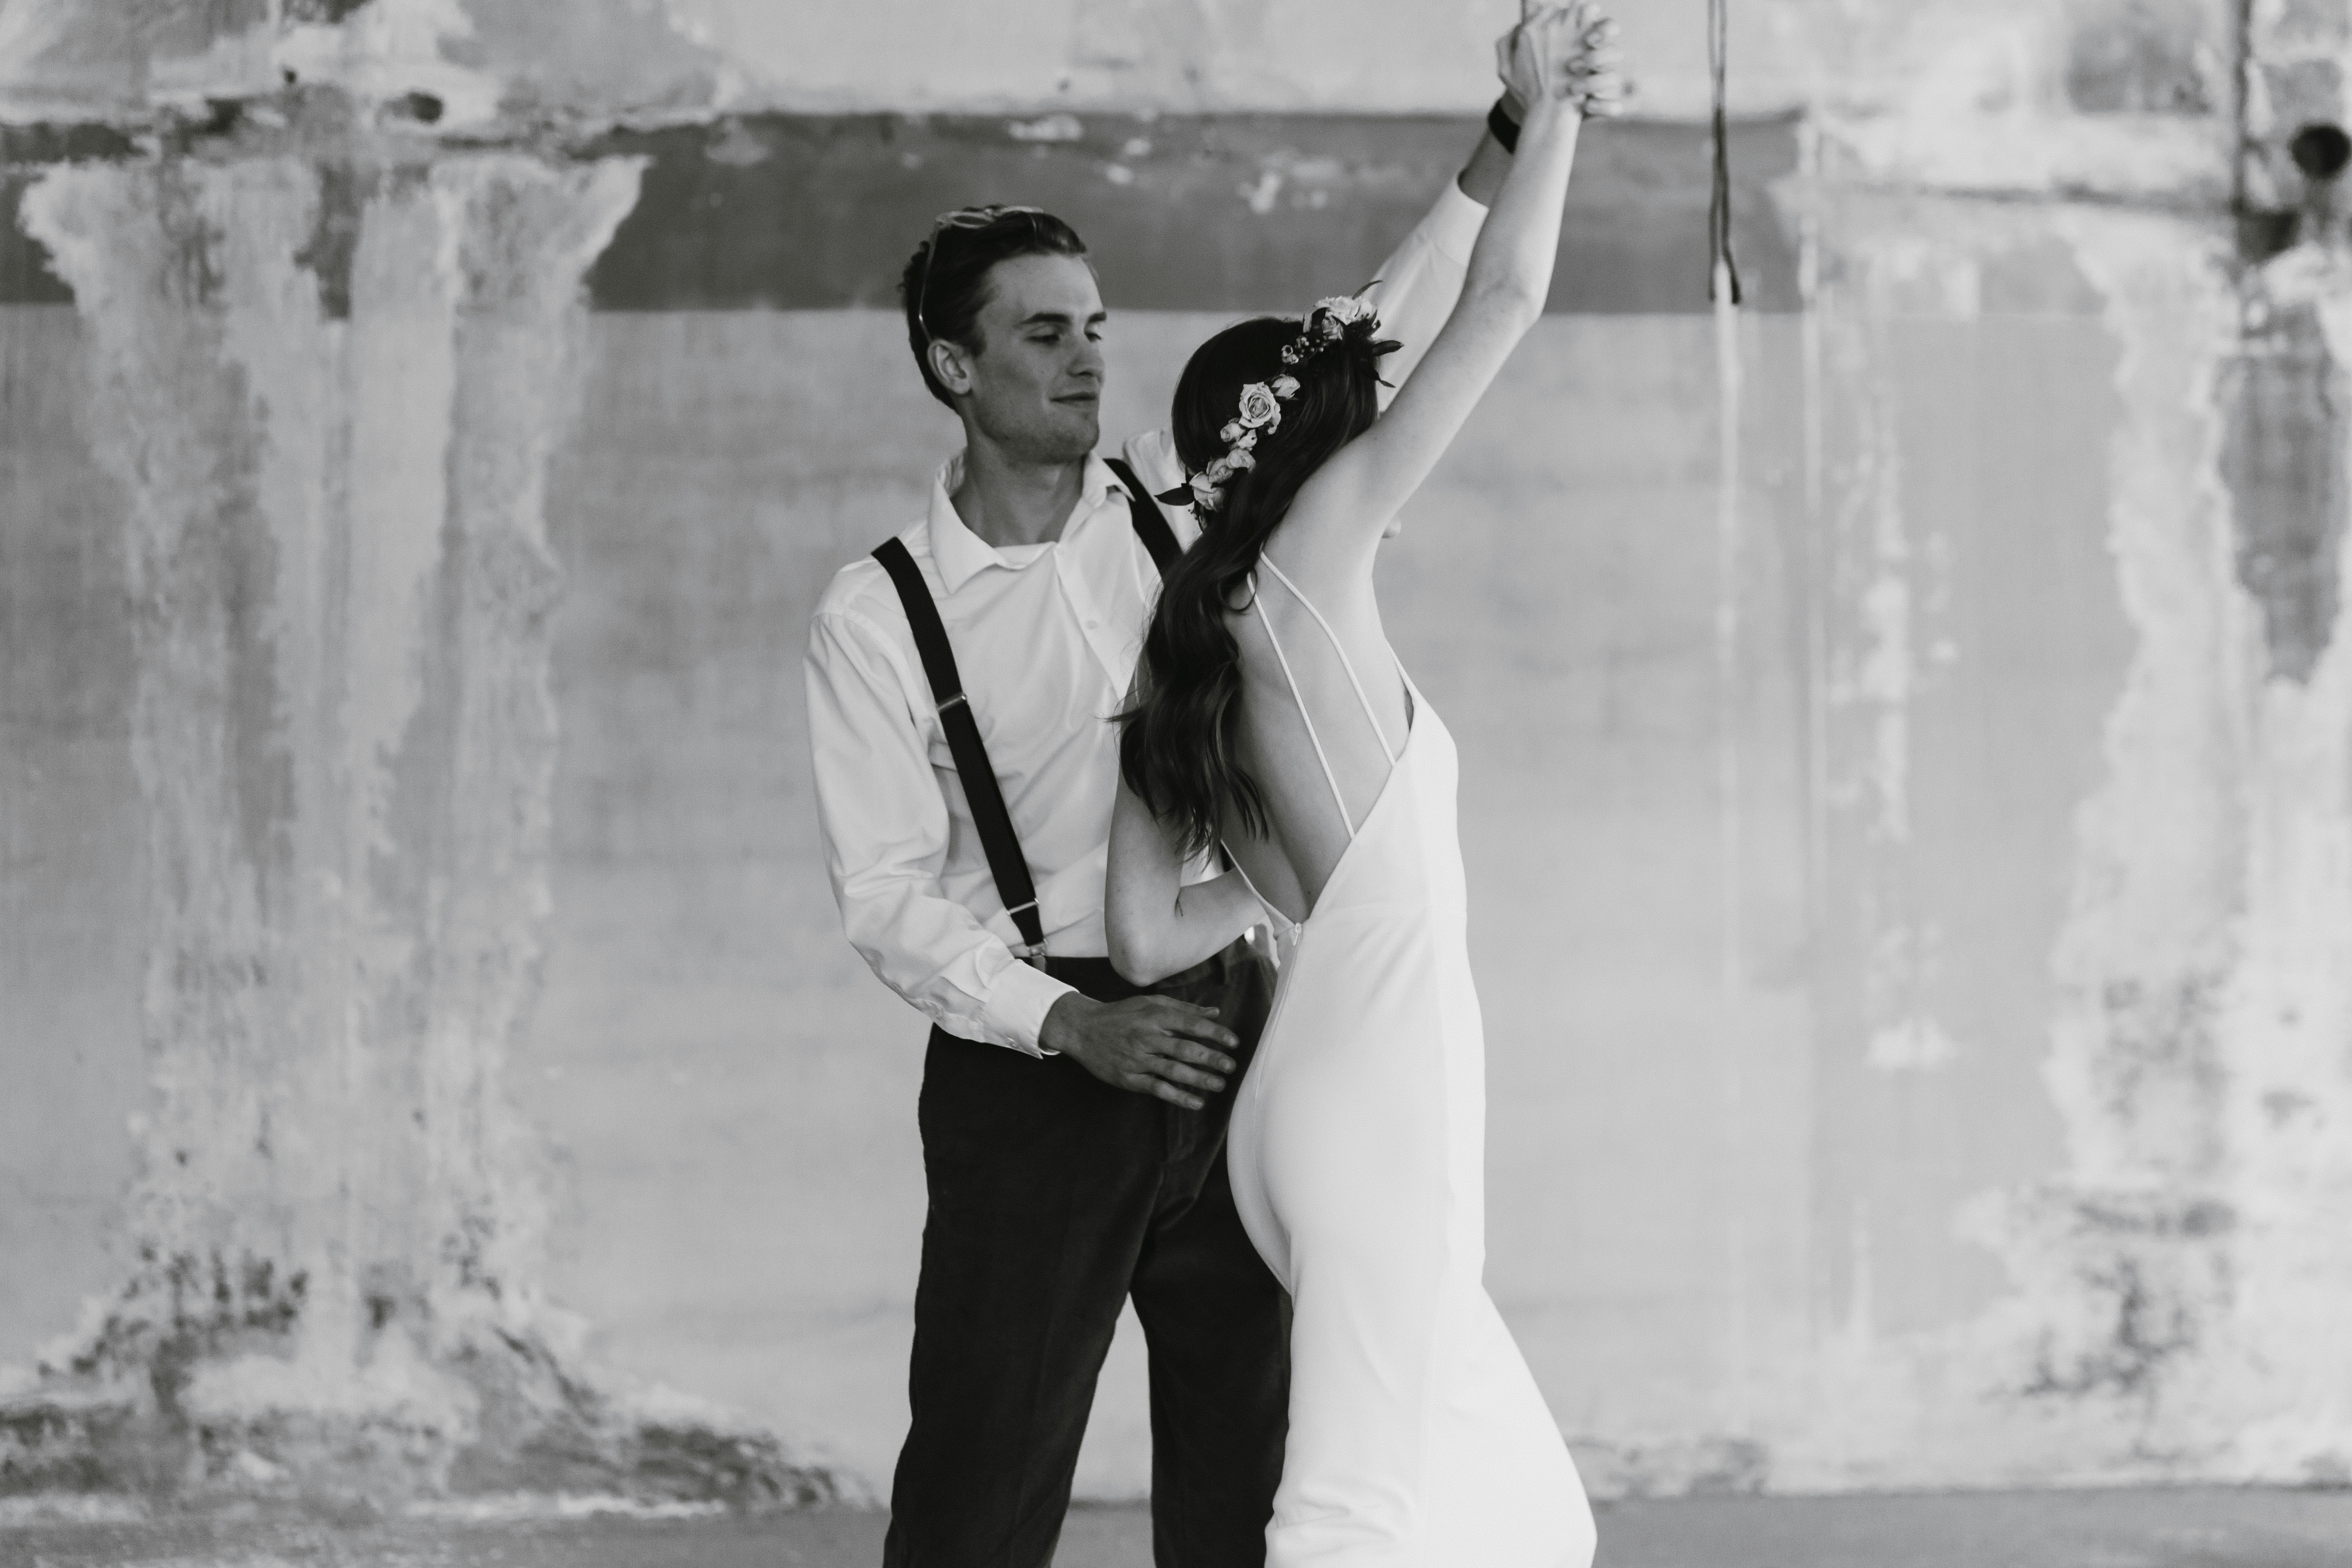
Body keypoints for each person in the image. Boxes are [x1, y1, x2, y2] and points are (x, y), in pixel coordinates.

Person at [802, 17, 1558, 1563]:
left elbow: (1373, 329)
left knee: (1248, 1461)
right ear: (953, 367)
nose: (1088, 356)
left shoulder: (1171, 498)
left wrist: (1509, 129)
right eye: (1043, 334)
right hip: (1039, 1068)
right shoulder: (877, 614)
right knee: (985, 1472)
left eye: (1094, 325)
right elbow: (884, 894)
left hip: (1237, 1037)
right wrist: (1068, 1023)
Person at [1103, 5, 1624, 1563]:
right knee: (1351, 1517)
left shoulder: (1182, 645)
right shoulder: (1315, 551)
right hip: (1385, 1087)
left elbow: (1141, 936)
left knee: (1520, 1509)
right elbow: (1503, 298)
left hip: (1300, 1104)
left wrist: (1290, 901)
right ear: (1325, 440)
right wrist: (1556, 109)